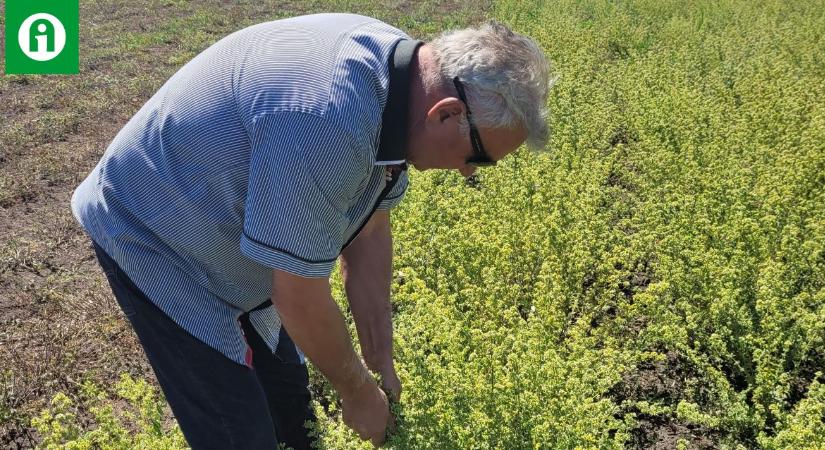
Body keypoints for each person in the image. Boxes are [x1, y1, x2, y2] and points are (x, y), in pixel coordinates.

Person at [71, 12, 552, 450]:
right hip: (154, 232)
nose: (469, 174)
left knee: (290, 405)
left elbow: (369, 233)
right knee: (238, 433)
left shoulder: (404, 79)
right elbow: (298, 296)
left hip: (226, 224)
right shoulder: (328, 120)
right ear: (445, 113)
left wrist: (378, 360)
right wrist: (357, 390)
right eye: (478, 158)